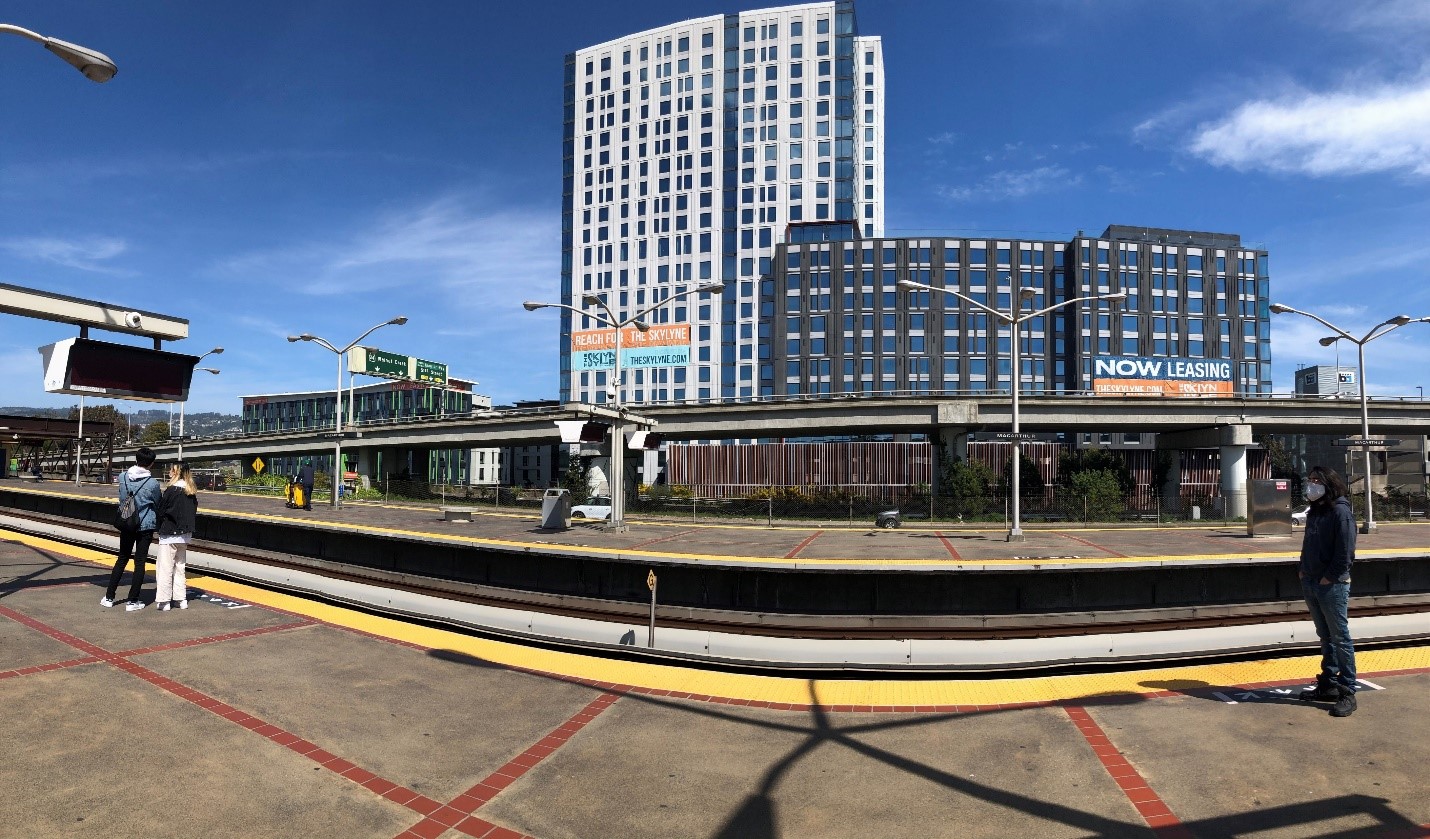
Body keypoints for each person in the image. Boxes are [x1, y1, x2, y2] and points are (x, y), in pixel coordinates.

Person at [1297, 465, 1358, 717]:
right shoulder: (1316, 511)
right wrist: (1303, 569)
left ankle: (1347, 691)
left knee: (1340, 637)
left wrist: (1328, 578)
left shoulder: (1341, 513)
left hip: (1331, 584)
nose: (1311, 484)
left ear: (1329, 483)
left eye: (1316, 480)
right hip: (1310, 580)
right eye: (1310, 480)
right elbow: (1308, 543)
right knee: (1326, 636)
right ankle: (1328, 683)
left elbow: (1345, 554)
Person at [103, 447, 164, 611]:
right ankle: (132, 601)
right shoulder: (153, 483)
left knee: (122, 558)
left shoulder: (123, 477)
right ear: (151, 464)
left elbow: (121, 498)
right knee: (140, 562)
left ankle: (109, 597)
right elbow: (159, 504)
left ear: (136, 460)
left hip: (127, 523)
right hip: (145, 526)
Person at [154, 460, 199, 612]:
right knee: (180, 567)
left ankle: (164, 601)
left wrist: (158, 526)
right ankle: (181, 599)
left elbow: (161, 511)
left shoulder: (171, 490)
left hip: (169, 534)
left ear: (177, 472)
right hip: (185, 535)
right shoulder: (191, 492)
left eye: (171, 470)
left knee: (165, 568)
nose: (169, 472)